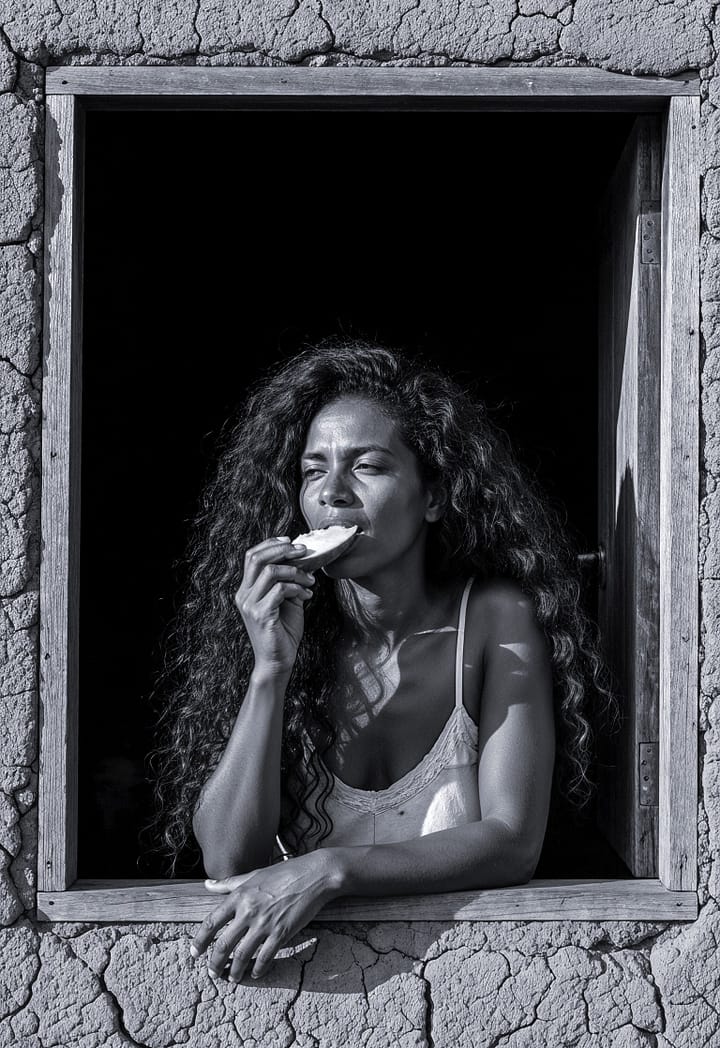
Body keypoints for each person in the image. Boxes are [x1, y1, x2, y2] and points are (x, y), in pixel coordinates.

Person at [147, 340, 613, 984]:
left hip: (457, 986)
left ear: (434, 497)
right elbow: (229, 856)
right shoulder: (286, 631)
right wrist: (270, 669)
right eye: (313, 472)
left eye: (366, 467)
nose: (332, 494)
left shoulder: (494, 621)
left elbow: (512, 839)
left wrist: (329, 869)